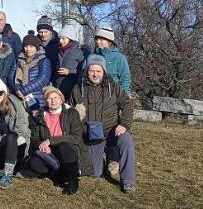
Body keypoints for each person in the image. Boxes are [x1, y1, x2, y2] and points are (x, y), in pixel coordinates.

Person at [69, 55, 136, 194]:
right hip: (91, 136)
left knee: (126, 141)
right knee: (95, 173)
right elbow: (69, 111)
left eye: (98, 71)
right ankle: (108, 162)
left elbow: (128, 105)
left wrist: (124, 124)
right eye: (91, 70)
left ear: (104, 71)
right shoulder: (77, 88)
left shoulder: (114, 87)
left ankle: (128, 181)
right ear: (87, 71)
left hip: (112, 131)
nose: (95, 74)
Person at [25, 86, 92, 196]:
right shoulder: (40, 115)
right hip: (50, 151)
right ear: (46, 101)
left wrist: (50, 140)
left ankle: (72, 181)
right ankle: (58, 173)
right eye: (50, 98)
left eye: (56, 98)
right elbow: (34, 138)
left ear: (61, 99)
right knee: (34, 163)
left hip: (68, 149)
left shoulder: (71, 113)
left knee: (64, 145)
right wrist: (41, 145)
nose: (53, 101)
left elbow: (75, 137)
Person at [0, 78, 30, 190]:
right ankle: (4, 167)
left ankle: (8, 175)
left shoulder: (15, 103)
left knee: (11, 136)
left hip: (18, 142)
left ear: (5, 93)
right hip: (3, 145)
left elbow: (22, 128)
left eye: (0, 92)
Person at [7, 34, 52, 110]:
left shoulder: (43, 60)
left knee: (36, 118)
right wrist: (17, 89)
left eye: (31, 46)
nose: (28, 49)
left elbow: (43, 79)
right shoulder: (19, 60)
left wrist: (24, 90)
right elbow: (11, 77)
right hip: (19, 96)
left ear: (36, 47)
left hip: (37, 96)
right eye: (26, 46)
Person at [90, 27, 132, 95]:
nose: (98, 41)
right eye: (97, 39)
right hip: (93, 98)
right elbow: (83, 77)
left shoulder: (119, 58)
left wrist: (126, 98)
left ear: (109, 41)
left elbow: (125, 80)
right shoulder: (91, 57)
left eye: (101, 39)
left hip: (113, 98)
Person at [55, 25, 85, 98]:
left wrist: (70, 71)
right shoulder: (59, 51)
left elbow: (83, 70)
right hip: (58, 88)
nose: (60, 41)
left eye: (63, 38)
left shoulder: (79, 52)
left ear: (70, 39)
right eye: (59, 38)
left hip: (72, 89)